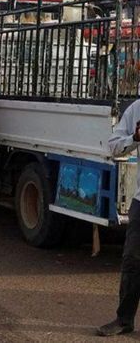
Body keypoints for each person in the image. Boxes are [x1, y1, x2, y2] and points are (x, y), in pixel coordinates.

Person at [99, 99, 140, 336]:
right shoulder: (136, 109)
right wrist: (134, 140)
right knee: (133, 261)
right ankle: (124, 319)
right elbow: (113, 146)